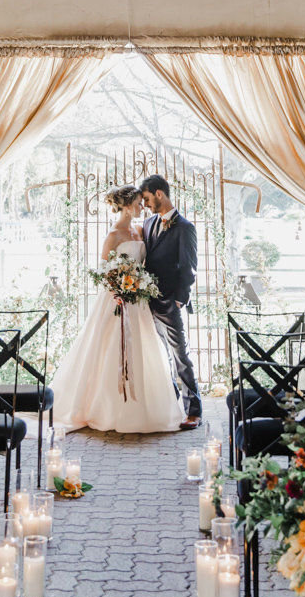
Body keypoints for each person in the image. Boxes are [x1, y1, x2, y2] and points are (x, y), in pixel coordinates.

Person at [51, 184, 184, 433]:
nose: (141, 206)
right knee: (111, 348)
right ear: (124, 205)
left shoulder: (139, 229)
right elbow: (103, 271)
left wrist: (140, 284)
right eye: (136, 202)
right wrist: (118, 289)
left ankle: (145, 408)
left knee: (144, 349)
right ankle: (109, 407)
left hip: (139, 300)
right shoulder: (113, 235)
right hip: (118, 300)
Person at [139, 174, 202, 430]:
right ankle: (172, 405)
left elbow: (190, 267)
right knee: (160, 356)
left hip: (170, 302)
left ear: (159, 194)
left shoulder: (185, 227)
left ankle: (194, 411)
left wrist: (179, 300)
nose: (144, 204)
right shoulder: (148, 223)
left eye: (146, 198)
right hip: (148, 302)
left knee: (180, 355)